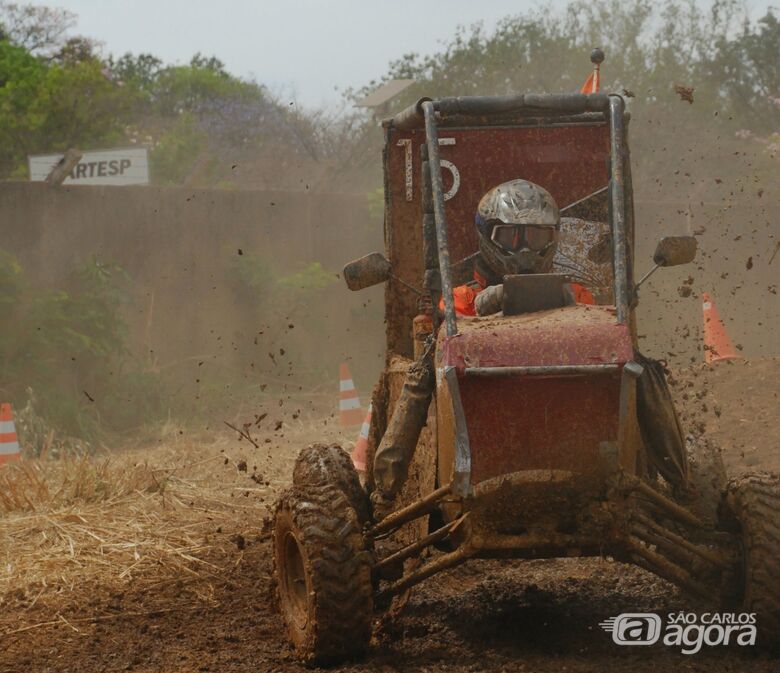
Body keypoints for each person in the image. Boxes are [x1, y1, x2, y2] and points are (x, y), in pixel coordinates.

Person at [370, 179, 594, 520]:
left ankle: (678, 486)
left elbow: (595, 330)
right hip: (483, 411)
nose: (524, 251)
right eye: (511, 237)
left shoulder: (576, 294)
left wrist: (558, 300)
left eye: (536, 237)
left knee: (640, 365)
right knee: (421, 373)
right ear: (487, 238)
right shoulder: (461, 298)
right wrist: (496, 301)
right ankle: (384, 492)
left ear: (553, 239)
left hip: (568, 411)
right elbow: (456, 331)